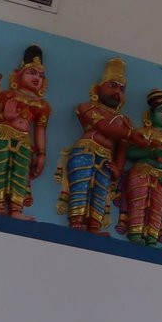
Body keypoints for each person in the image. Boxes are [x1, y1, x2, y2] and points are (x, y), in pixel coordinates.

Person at [58, 58, 135, 233]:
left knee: (101, 191)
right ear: (97, 88)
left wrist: (118, 169)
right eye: (112, 86)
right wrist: (132, 134)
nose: (117, 92)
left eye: (122, 89)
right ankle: (76, 219)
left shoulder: (125, 121)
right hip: (85, 150)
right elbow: (103, 127)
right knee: (81, 184)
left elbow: (122, 147)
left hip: (107, 158)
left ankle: (94, 226)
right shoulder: (87, 107)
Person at [0, 44, 50, 218]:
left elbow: (40, 130)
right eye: (32, 72)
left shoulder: (42, 105)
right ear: (18, 75)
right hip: (1, 134)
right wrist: (4, 116)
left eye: (40, 75)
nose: (37, 77)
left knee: (20, 173)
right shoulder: (7, 95)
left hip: (24, 140)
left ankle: (16, 210)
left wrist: (41, 154)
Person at [119, 89, 162, 246]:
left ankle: (152, 240)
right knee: (138, 202)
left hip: (161, 177)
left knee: (157, 208)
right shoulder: (144, 132)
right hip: (141, 171)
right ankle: (135, 235)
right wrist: (151, 152)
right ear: (150, 115)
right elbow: (130, 153)